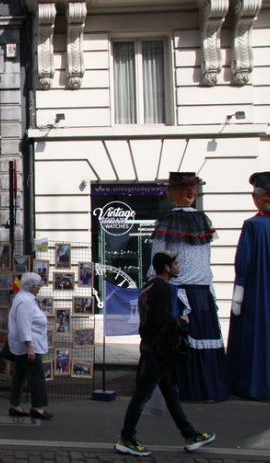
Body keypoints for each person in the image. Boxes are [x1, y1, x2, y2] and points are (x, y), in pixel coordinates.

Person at [115, 251, 215, 457]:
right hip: (158, 351)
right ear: (167, 268)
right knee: (142, 395)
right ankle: (126, 437)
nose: (178, 266)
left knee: (170, 394)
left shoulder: (149, 286)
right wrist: (180, 320)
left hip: (151, 346)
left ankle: (189, 434)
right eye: (175, 263)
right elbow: (161, 321)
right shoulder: (163, 288)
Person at [149, 171, 229, 402]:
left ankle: (204, 388)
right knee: (178, 339)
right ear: (172, 192)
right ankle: (189, 388)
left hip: (198, 290)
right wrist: (157, 283)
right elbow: (159, 257)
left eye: (192, 188)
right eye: (184, 188)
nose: (190, 192)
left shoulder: (201, 220)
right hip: (178, 291)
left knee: (192, 337)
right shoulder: (168, 221)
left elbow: (204, 257)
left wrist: (207, 282)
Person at [227, 171, 270, 400]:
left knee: (256, 336)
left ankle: (255, 384)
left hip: (257, 293)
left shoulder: (253, 226)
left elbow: (244, 262)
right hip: (257, 291)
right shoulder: (253, 225)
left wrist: (239, 292)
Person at [8, 272, 52, 420]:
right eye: (39, 285)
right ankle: (38, 407)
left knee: (19, 376)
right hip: (30, 346)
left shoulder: (23, 298)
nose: (40, 287)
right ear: (32, 286)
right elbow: (24, 325)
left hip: (24, 345)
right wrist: (29, 347)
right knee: (37, 376)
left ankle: (15, 404)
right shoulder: (26, 301)